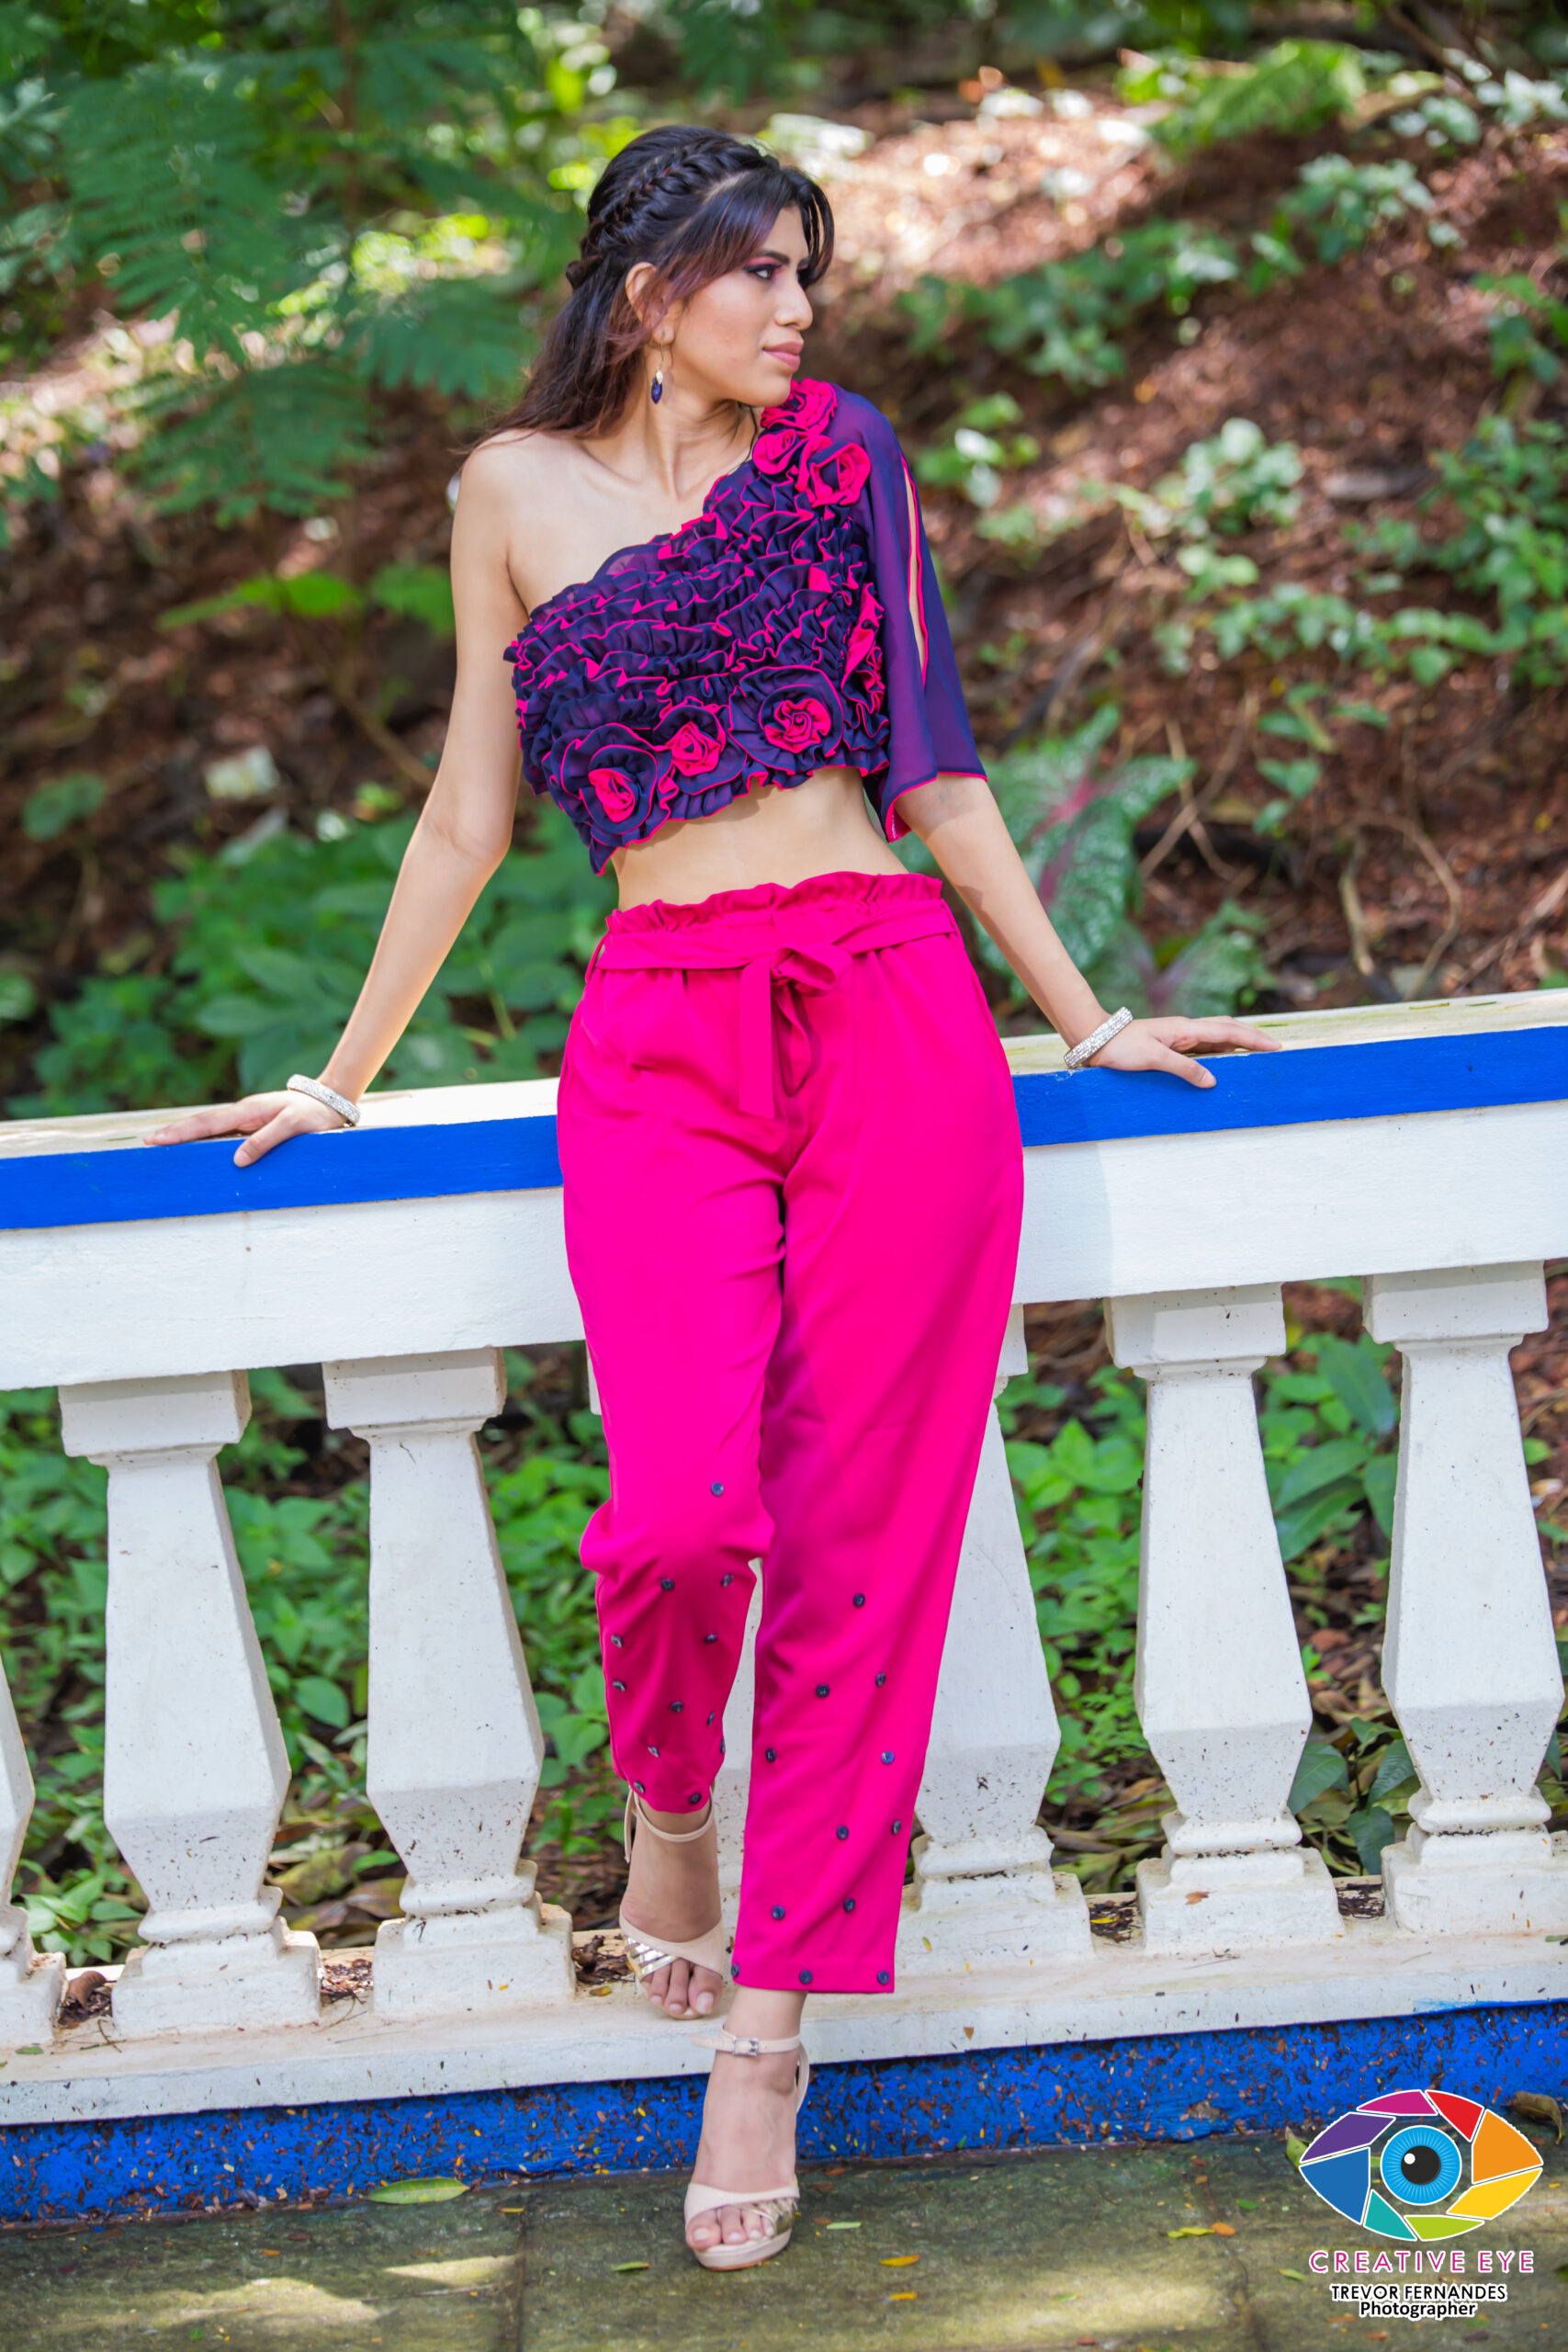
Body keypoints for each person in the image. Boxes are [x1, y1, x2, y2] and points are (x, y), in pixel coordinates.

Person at [149, 123, 1276, 2271]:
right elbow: (467, 812)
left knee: (862, 1539)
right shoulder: (506, 492)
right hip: (660, 1027)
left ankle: (766, 2033)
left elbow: (935, 760)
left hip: (890, 1009)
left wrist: (1079, 1013)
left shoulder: (841, 455)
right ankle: (668, 1799)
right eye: (758, 270)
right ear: (645, 288)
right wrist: (342, 1069)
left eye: (806, 274)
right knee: (676, 1510)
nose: (795, 308)